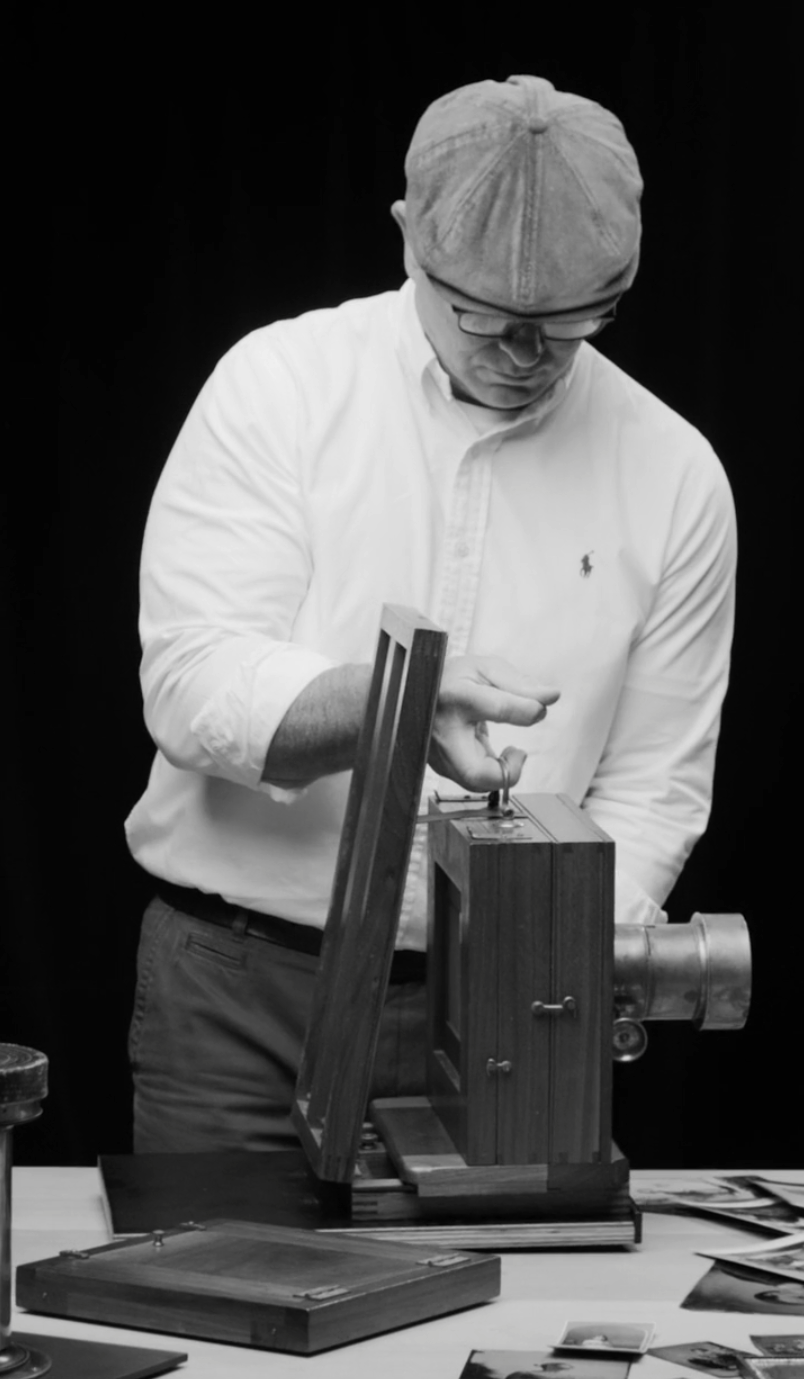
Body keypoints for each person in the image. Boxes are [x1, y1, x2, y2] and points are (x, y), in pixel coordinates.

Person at [125, 74, 736, 1153]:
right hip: (240, 1000)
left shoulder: (677, 473)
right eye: (485, 320)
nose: (523, 357)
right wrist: (401, 702)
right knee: (218, 1309)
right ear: (409, 237)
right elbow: (192, 689)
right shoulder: (278, 387)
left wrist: (551, 981)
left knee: (509, 1325)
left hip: (509, 1007)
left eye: (566, 324)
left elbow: (653, 791)